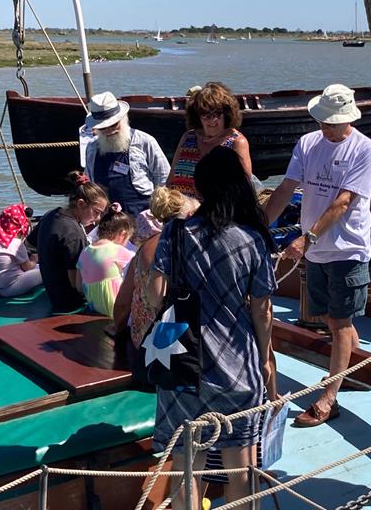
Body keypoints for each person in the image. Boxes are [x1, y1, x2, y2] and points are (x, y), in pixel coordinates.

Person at [148, 147, 277, 509]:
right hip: (237, 366)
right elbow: (262, 311)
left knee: (187, 467)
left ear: (200, 188)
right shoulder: (252, 240)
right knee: (242, 468)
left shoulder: (175, 233)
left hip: (182, 364)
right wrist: (266, 359)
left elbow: (155, 295)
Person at [263, 83, 371, 427]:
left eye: (331, 122)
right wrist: (260, 226)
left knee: (341, 324)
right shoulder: (308, 143)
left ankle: (329, 397)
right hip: (317, 252)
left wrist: (306, 239)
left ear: (348, 120)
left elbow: (344, 202)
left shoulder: (365, 150)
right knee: (331, 320)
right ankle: (352, 373)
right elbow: (286, 188)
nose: (324, 127)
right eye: (322, 121)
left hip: (348, 248)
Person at [113, 186, 195, 384]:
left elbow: (123, 303)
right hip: (182, 350)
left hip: (143, 344)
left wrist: (118, 333)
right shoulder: (195, 248)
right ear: (190, 215)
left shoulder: (144, 249)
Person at [29, 172, 108, 313]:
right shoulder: (74, 234)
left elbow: (30, 244)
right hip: (70, 303)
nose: (97, 219)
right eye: (96, 212)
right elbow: (76, 284)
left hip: (53, 294)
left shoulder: (51, 215)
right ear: (81, 204)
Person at [84, 91, 171, 215]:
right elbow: (89, 182)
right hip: (107, 219)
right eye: (103, 127)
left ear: (123, 119)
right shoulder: (92, 148)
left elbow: (164, 177)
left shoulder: (144, 141)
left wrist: (159, 212)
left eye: (113, 125)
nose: (109, 130)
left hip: (143, 216)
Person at [167, 82, 252, 198]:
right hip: (179, 210)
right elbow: (170, 180)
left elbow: (243, 186)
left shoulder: (236, 142)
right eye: (205, 114)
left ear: (226, 113)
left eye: (217, 113)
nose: (212, 120)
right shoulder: (188, 137)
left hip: (216, 213)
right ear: (197, 115)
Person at [76, 203, 135, 317]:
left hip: (95, 308)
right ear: (123, 234)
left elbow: (79, 286)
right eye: (127, 239)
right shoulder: (118, 251)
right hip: (117, 312)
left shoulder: (85, 251)